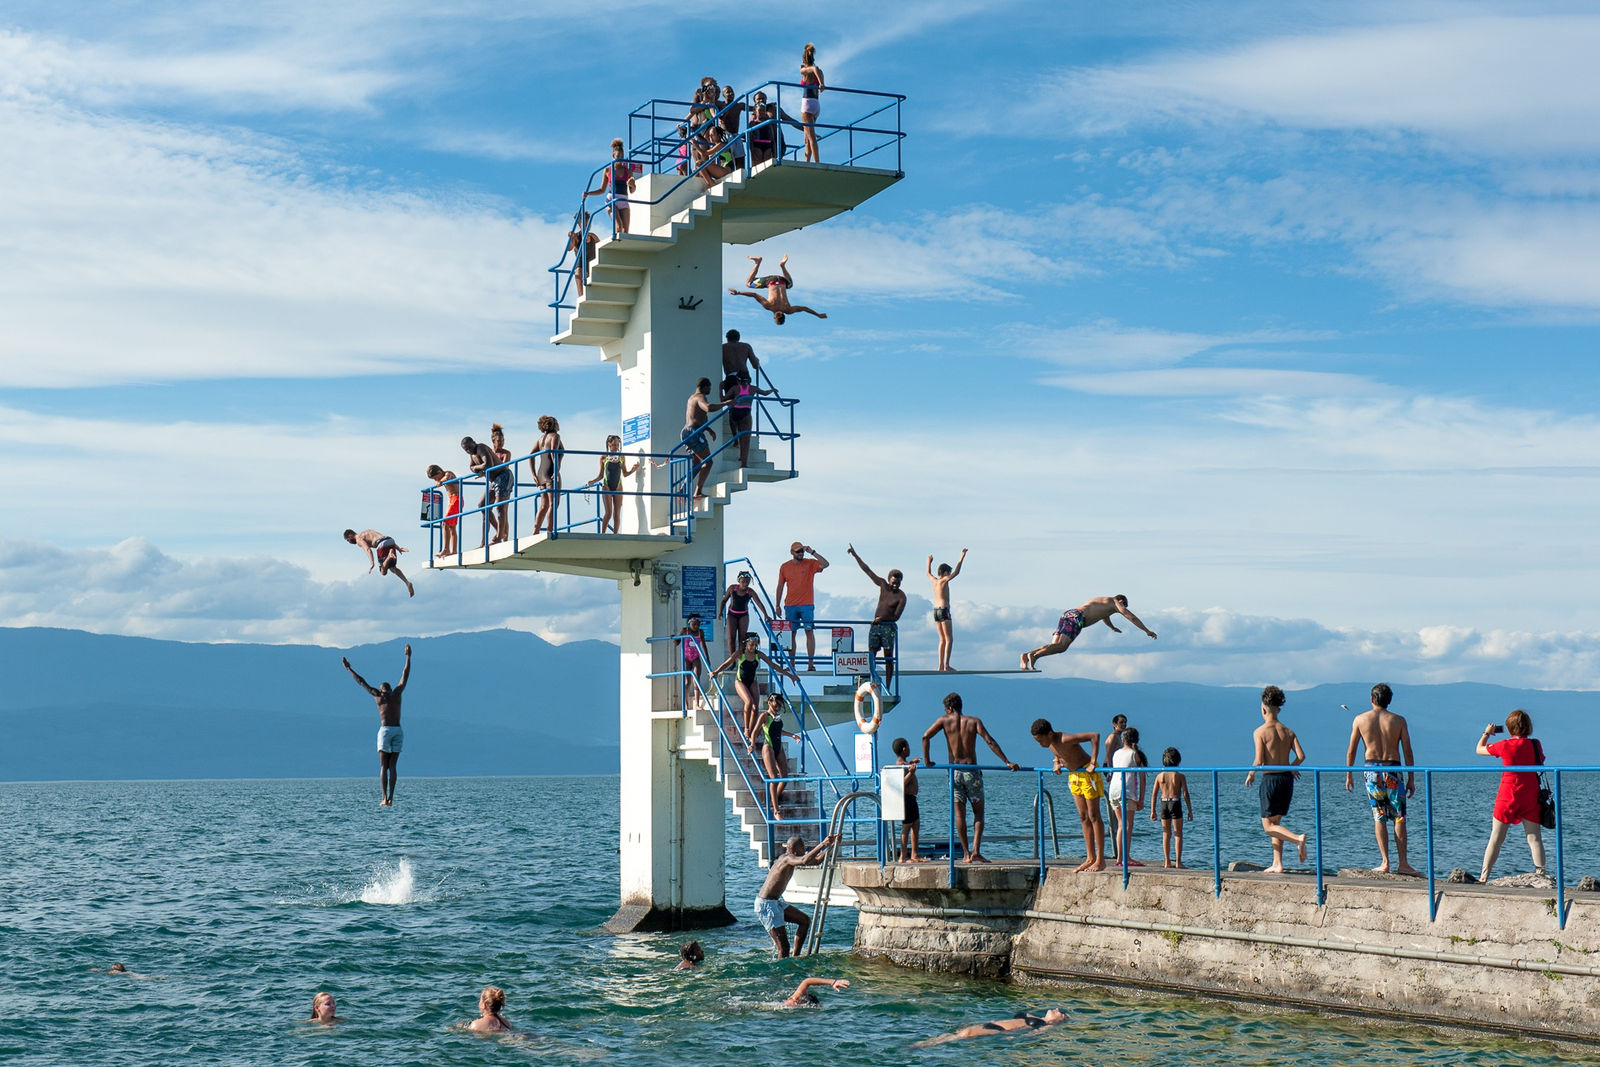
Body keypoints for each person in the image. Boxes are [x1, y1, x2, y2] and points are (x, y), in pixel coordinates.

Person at [922, 692, 1020, 864]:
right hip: (971, 771)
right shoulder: (973, 721)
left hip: (954, 772)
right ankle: (976, 851)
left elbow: (925, 736)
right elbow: (989, 740)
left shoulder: (943, 721)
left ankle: (966, 854)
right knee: (979, 812)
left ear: (949, 708)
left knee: (959, 814)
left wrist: (927, 760)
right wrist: (1006, 761)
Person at [1343, 683, 1421, 876]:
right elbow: (1408, 752)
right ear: (1389, 700)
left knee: (1379, 816)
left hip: (1371, 770)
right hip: (1393, 769)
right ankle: (1403, 863)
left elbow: (1351, 749)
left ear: (1372, 699)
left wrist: (1349, 774)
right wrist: (1411, 778)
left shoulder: (1360, 719)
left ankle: (1385, 861)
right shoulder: (1399, 721)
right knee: (1399, 817)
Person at [1477, 709, 1548, 884]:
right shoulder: (1535, 744)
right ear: (1528, 727)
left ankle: (1484, 876)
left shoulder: (1504, 744)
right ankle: (1542, 875)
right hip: (1530, 795)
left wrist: (1487, 733)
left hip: (1507, 795)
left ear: (1509, 728)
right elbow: (1541, 761)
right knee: (1534, 838)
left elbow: (1479, 749)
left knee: (1496, 838)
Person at [1244, 686, 1308, 872]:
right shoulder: (1288, 731)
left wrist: (1250, 774)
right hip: (1286, 780)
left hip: (1271, 780)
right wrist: (1290, 768)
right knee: (1276, 823)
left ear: (1263, 708)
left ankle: (1297, 839)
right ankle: (1277, 863)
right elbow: (1301, 756)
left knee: (1268, 827)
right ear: (1278, 709)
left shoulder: (1260, 732)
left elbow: (1258, 760)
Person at [1031, 718, 1106, 872]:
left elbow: (1094, 736)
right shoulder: (1050, 745)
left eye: (1040, 740)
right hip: (1074, 776)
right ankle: (1090, 857)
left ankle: (1100, 859)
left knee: (1094, 815)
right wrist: (1057, 762)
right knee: (1083, 816)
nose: (1040, 744)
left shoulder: (1065, 739)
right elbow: (1059, 754)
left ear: (1050, 734)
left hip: (1087, 773)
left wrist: (1093, 762)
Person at [341, 643, 412, 806]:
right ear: (390, 689)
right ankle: (391, 798)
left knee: (383, 766)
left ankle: (383, 797)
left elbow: (361, 682)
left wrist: (348, 669)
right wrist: (408, 657)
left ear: (380, 690)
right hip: (398, 730)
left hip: (385, 730)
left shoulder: (378, 696)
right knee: (393, 766)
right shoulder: (397, 694)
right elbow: (405, 675)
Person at [755, 834, 840, 957]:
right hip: (766, 904)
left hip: (774, 902)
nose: (805, 851)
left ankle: (796, 957)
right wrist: (822, 844)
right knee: (783, 948)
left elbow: (816, 860)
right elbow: (805, 859)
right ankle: (781, 974)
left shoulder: (791, 860)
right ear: (795, 850)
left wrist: (832, 846)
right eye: (802, 848)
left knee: (804, 921)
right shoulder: (786, 858)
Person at [1022, 595, 1156, 670]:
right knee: (1062, 647)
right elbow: (1131, 617)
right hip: (1078, 617)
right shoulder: (1115, 602)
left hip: (1068, 614)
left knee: (1056, 646)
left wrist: (1112, 627)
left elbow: (1104, 616)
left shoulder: (1104, 603)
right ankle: (1035, 656)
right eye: (1123, 607)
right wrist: (1147, 630)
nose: (1121, 610)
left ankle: (1028, 654)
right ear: (1121, 601)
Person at [713, 636, 795, 745]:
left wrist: (790, 675)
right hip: (740, 681)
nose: (753, 647)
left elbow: (773, 665)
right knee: (749, 702)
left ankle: (751, 732)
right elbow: (726, 663)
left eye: (755, 645)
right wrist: (715, 672)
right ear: (746, 644)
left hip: (752, 681)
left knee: (755, 707)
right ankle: (746, 729)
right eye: (751, 644)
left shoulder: (758, 654)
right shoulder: (739, 654)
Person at [846, 544, 907, 687]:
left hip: (887, 627)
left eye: (897, 583)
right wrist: (855, 555)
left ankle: (887, 686)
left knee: (888, 657)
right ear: (889, 580)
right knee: (871, 654)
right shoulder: (883, 585)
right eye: (893, 583)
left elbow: (896, 616)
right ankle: (872, 681)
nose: (895, 586)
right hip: (875, 626)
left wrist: (883, 619)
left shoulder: (901, 597)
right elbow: (868, 571)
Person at [775, 542, 830, 671]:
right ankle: (792, 664)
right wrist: (777, 605)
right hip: (790, 605)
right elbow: (780, 586)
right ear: (792, 552)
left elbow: (826, 564)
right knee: (791, 633)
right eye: (798, 551)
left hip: (807, 604)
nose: (800, 553)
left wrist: (812, 552)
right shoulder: (784, 567)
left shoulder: (810, 563)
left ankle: (810, 664)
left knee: (809, 632)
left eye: (802, 551)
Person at [728, 255, 828, 325]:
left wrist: (818, 315)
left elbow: (804, 308)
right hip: (771, 281)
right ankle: (757, 262)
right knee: (748, 283)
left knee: (790, 285)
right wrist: (738, 293)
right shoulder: (769, 306)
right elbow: (754, 294)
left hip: (784, 281)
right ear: (774, 317)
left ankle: (782, 266)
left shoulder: (788, 310)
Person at [913, 1008, 1069, 1047]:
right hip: (989, 1024)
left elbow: (1030, 1036)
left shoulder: (1047, 1025)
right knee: (952, 1034)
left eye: (1061, 1013)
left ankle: (924, 1046)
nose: (1057, 1009)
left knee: (965, 1033)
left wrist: (1013, 1038)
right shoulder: (1034, 1016)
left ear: (1059, 1020)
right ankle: (922, 1045)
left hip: (997, 1031)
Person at [753, 693, 802, 815]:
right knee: (774, 779)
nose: (778, 708)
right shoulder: (764, 716)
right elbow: (754, 732)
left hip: (778, 747)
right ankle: (776, 810)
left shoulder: (777, 717)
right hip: (768, 747)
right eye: (776, 705)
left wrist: (792, 735)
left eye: (779, 706)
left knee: (784, 778)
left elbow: (779, 731)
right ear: (769, 703)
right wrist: (752, 744)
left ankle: (773, 799)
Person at [1107, 726, 1148, 866]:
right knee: (1127, 825)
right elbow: (1142, 779)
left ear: (1123, 739)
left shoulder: (1116, 753)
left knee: (1121, 825)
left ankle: (1120, 858)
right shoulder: (1135, 754)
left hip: (1114, 789)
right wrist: (1141, 799)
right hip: (1126, 790)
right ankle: (1125, 857)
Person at [582, 138, 640, 235]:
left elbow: (632, 190)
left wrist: (632, 185)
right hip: (611, 200)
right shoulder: (608, 170)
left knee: (625, 232)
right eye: (618, 156)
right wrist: (588, 194)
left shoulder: (628, 171)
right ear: (613, 156)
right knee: (619, 227)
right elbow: (602, 190)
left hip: (624, 201)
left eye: (622, 156)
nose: (620, 158)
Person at [681, 377, 726, 500]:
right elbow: (708, 408)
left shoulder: (692, 398)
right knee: (708, 462)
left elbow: (697, 417)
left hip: (688, 432)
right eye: (709, 387)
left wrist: (708, 429)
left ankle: (683, 488)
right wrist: (726, 403)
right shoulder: (700, 397)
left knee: (697, 463)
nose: (710, 389)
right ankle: (697, 492)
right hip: (693, 433)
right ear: (704, 386)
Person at [461, 434, 509, 547]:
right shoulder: (472, 454)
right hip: (493, 480)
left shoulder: (480, 448)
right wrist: (477, 468)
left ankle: (499, 537)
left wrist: (477, 468)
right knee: (482, 505)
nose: (468, 450)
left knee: (500, 507)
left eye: (469, 447)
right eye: (466, 449)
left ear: (474, 442)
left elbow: (488, 464)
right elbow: (471, 467)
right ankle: (498, 533)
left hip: (503, 476)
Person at [585, 434, 639, 534]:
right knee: (608, 513)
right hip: (607, 486)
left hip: (618, 486)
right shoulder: (603, 457)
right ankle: (603, 534)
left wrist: (633, 470)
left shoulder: (622, 457)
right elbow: (601, 475)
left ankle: (615, 534)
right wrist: (593, 481)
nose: (616, 447)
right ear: (609, 444)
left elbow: (625, 473)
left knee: (617, 513)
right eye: (614, 445)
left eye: (618, 445)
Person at [721, 371, 776, 467]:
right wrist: (773, 390)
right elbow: (765, 393)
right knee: (746, 440)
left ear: (737, 380)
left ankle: (735, 441)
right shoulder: (753, 388)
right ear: (749, 380)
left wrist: (719, 389)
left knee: (734, 426)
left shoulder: (735, 388)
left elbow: (723, 399)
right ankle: (744, 463)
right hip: (746, 413)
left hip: (735, 413)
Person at [1149, 747, 1192, 869]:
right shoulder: (1179, 776)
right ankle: (1178, 862)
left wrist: (1152, 810)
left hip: (1163, 803)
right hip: (1175, 802)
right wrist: (1190, 810)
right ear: (1178, 760)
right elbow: (1185, 794)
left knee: (1166, 833)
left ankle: (1167, 861)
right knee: (1178, 833)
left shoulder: (1159, 776)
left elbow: (1154, 794)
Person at [926, 550, 967, 672]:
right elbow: (957, 572)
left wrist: (928, 562)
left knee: (942, 640)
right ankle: (946, 665)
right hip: (944, 610)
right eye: (948, 572)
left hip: (935, 611)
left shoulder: (934, 581)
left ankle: (940, 665)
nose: (949, 574)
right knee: (949, 639)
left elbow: (928, 573)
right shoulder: (943, 581)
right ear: (944, 573)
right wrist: (962, 557)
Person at [343, 529, 415, 597]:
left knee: (383, 572)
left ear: (350, 535)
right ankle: (407, 583)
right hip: (390, 540)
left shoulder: (358, 539)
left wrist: (372, 563)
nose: (349, 542)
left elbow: (368, 549)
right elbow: (385, 538)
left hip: (381, 544)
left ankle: (389, 556)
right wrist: (398, 548)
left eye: (348, 540)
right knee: (393, 568)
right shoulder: (367, 531)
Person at [717, 569, 770, 655]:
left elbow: (759, 603)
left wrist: (766, 615)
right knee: (731, 638)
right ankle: (732, 659)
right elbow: (724, 601)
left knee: (742, 639)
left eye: (747, 582)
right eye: (743, 582)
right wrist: (720, 612)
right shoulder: (732, 588)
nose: (745, 584)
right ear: (739, 581)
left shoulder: (750, 592)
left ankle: (741, 659)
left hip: (743, 615)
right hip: (732, 615)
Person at [891, 737, 926, 863]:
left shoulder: (905, 764)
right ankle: (903, 856)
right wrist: (911, 773)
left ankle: (914, 854)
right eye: (908, 747)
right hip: (906, 799)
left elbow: (906, 765)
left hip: (912, 798)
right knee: (907, 827)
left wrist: (911, 762)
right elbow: (901, 783)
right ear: (904, 749)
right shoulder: (900, 766)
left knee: (916, 825)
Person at [529, 415, 563, 537]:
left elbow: (530, 455)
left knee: (544, 505)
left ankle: (536, 530)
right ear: (555, 425)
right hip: (550, 472)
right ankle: (550, 529)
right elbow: (554, 453)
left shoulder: (540, 439)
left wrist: (533, 474)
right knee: (554, 503)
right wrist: (556, 471)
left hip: (540, 473)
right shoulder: (555, 436)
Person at [425, 464, 461, 557]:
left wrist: (440, 481)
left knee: (445, 523)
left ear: (439, 472)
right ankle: (453, 551)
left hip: (456, 499)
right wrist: (440, 481)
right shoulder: (443, 476)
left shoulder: (448, 473)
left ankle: (446, 549)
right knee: (451, 526)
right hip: (452, 500)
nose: (435, 480)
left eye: (435, 478)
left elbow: (447, 477)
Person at [798, 43, 825, 163]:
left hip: (807, 105)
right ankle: (807, 160)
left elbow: (813, 68)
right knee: (807, 137)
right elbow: (817, 70)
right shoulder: (820, 72)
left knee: (811, 137)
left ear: (804, 60)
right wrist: (821, 83)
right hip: (816, 104)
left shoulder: (805, 70)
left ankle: (817, 162)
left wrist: (821, 83)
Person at [678, 615, 709, 710]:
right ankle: (686, 704)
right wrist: (674, 637)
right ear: (689, 623)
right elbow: (677, 642)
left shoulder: (700, 632)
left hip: (696, 658)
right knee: (687, 682)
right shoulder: (685, 631)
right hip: (687, 658)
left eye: (698, 624)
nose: (696, 626)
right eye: (694, 624)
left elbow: (704, 645)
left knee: (696, 680)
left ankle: (697, 704)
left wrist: (707, 659)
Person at [566, 210, 599, 297]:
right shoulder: (576, 236)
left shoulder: (593, 237)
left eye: (589, 224)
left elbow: (601, 248)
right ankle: (581, 296)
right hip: (581, 264)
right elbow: (569, 248)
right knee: (578, 273)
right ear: (579, 225)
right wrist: (571, 238)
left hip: (591, 262)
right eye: (584, 224)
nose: (587, 226)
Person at [718, 84, 746, 172]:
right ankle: (725, 174)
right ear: (723, 95)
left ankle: (741, 174)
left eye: (732, 91)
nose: (731, 94)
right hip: (726, 135)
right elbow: (708, 102)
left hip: (736, 136)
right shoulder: (720, 104)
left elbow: (754, 108)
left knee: (740, 157)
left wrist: (767, 105)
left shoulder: (739, 105)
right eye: (728, 92)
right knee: (727, 159)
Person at [783, 977, 850, 1007]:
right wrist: (832, 982)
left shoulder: (793, 1001)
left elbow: (807, 982)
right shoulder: (794, 998)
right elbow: (807, 981)